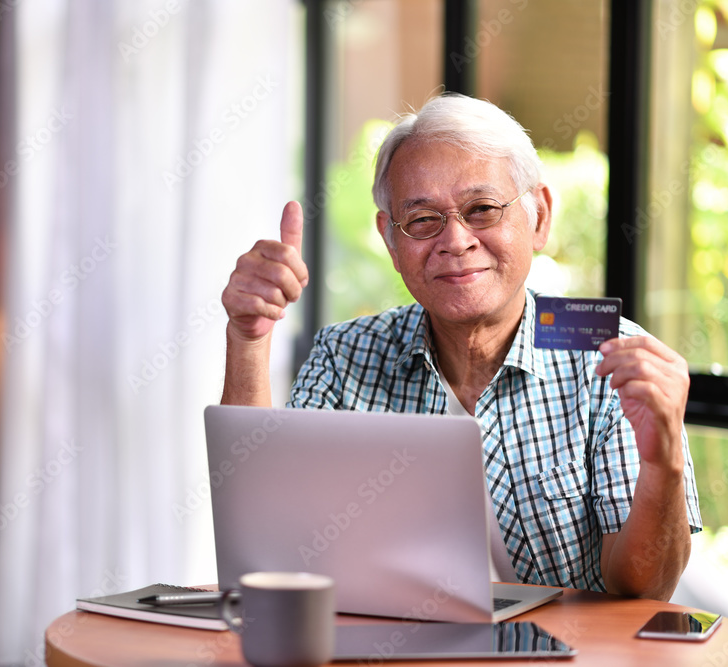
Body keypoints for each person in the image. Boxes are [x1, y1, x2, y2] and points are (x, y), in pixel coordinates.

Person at [220, 93, 701, 600]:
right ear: (390, 238)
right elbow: (265, 546)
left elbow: (643, 590)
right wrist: (249, 341)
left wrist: (662, 462)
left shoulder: (613, 358)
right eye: (423, 219)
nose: (455, 240)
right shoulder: (343, 357)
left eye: (482, 210)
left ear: (539, 217)